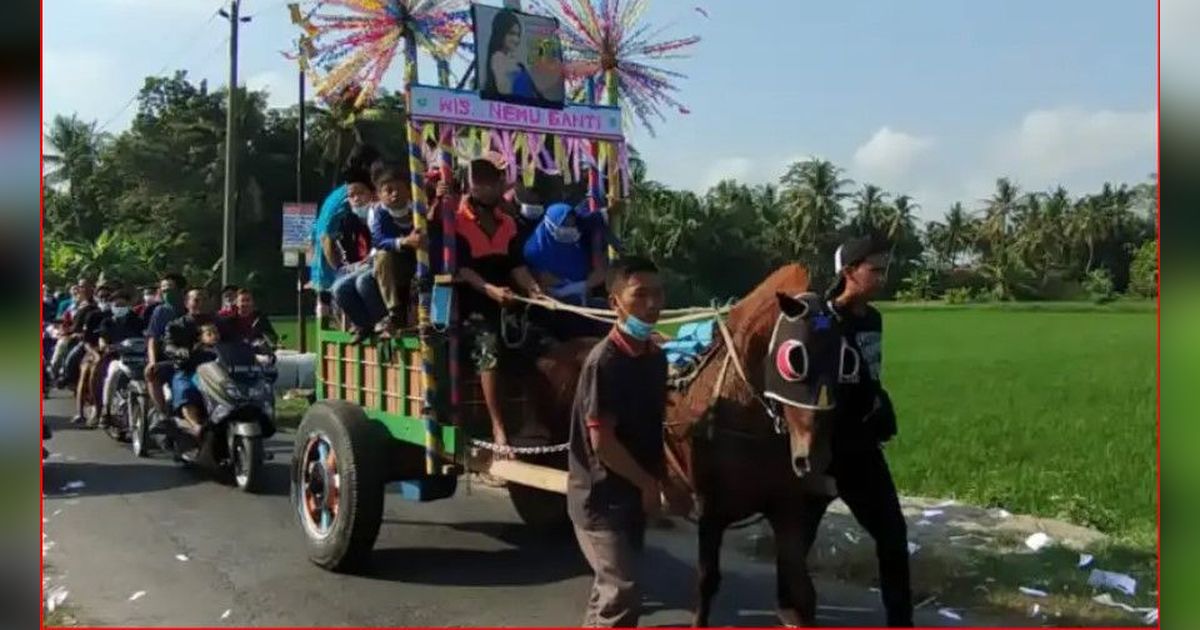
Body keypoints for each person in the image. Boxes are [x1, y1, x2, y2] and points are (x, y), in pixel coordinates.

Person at [566, 256, 684, 627]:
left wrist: (666, 480)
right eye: (640, 295)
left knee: (608, 591)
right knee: (623, 591)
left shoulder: (654, 358)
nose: (653, 304)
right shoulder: (607, 362)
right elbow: (603, 443)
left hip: (631, 494)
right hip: (600, 498)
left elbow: (654, 426)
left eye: (658, 293)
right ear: (615, 302)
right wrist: (648, 483)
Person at [808, 235, 913, 627]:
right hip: (821, 450)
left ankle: (900, 623)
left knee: (892, 536)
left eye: (884, 269)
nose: (882, 277)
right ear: (849, 272)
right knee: (796, 543)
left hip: (862, 448)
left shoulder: (874, 319)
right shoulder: (821, 317)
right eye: (875, 269)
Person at [453, 154, 543, 451]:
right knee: (488, 346)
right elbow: (462, 268)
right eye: (478, 182)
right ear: (468, 186)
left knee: (537, 340)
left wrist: (534, 290)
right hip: (471, 303)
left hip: (508, 300)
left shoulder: (509, 223)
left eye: (490, 182)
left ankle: (535, 418)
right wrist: (490, 290)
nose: (485, 188)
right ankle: (498, 426)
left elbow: (517, 266)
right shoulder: (456, 220)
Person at [311, 144, 383, 315]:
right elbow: (327, 238)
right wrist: (340, 271)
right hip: (330, 273)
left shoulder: (338, 193)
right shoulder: (352, 194)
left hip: (321, 273)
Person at [367, 160, 424, 335]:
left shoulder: (417, 210)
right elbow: (379, 240)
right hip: (394, 261)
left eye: (399, 189)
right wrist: (404, 241)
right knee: (382, 257)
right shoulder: (380, 213)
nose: (395, 194)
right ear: (380, 194)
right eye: (389, 191)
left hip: (417, 259)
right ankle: (394, 311)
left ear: (409, 190)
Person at [162, 289, 228, 437]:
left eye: (204, 299)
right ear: (187, 303)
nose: (201, 303)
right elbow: (168, 345)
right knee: (186, 391)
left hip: (218, 371)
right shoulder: (176, 325)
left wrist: (255, 350)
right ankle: (196, 427)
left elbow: (236, 341)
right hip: (188, 370)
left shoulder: (220, 323)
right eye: (196, 300)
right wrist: (178, 351)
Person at [98, 289, 147, 425]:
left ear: (129, 305)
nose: (120, 308)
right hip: (117, 358)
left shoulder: (138, 321)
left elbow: (146, 336)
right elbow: (102, 339)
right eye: (117, 305)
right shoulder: (107, 322)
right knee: (112, 374)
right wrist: (107, 346)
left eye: (123, 305)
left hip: (138, 358)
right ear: (112, 306)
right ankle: (106, 410)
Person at [144, 273, 187, 420]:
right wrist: (152, 361)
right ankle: (162, 414)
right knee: (152, 374)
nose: (165, 292)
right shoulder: (161, 311)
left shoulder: (191, 308)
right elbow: (153, 338)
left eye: (169, 289)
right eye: (163, 289)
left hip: (190, 358)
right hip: (167, 359)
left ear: (181, 290)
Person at [70, 282, 114, 426]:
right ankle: (84, 411)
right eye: (101, 296)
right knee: (88, 371)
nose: (104, 299)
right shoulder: (92, 314)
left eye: (108, 296)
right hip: (93, 349)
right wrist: (95, 354)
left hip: (115, 351)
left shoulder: (117, 313)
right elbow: (86, 340)